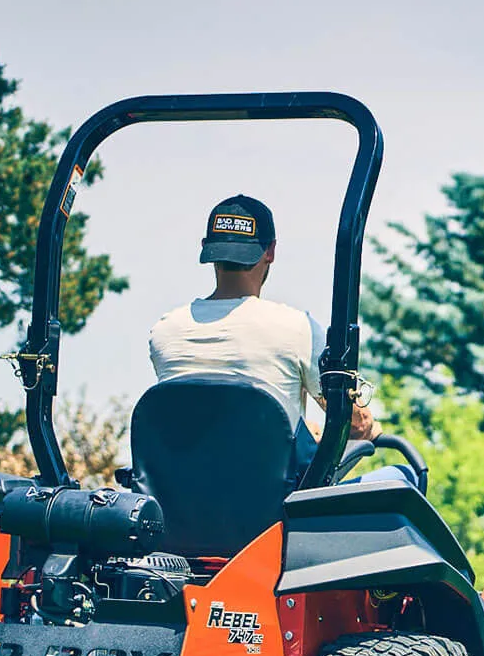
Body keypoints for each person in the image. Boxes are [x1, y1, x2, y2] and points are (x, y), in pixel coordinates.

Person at [149, 194, 380, 473]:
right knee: (402, 474)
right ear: (270, 251)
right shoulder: (296, 329)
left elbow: (206, 423)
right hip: (274, 508)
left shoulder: (165, 332)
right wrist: (367, 425)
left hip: (183, 504)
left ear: (207, 249)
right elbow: (353, 423)